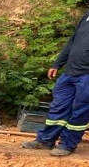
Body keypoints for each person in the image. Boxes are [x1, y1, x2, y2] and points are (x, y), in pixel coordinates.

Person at [22, 9, 89, 157]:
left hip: (87, 77)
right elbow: (72, 41)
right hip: (69, 73)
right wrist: (58, 63)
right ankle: (45, 140)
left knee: (80, 112)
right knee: (58, 107)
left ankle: (67, 144)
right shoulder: (86, 15)